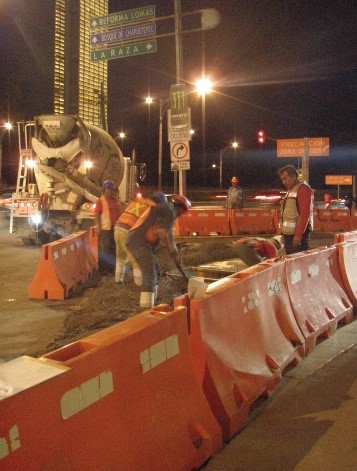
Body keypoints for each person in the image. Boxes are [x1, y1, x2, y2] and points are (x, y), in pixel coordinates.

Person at [126, 194, 191, 309]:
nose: (181, 215)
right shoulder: (169, 211)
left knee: (157, 270)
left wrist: (175, 253)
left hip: (139, 241)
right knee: (150, 274)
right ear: (181, 208)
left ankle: (152, 302)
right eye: (183, 212)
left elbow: (168, 235)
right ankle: (146, 310)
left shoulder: (167, 210)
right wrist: (170, 251)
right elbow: (162, 233)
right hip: (139, 242)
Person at [113, 192, 167, 284]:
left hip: (118, 228)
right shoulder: (151, 208)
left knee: (120, 257)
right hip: (128, 231)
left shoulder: (137, 202)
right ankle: (139, 285)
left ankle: (118, 282)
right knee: (136, 261)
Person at [278, 165, 314, 255]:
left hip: (296, 237)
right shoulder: (291, 190)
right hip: (289, 235)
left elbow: (305, 214)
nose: (283, 182)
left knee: (297, 263)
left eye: (285, 178)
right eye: (282, 179)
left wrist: (298, 236)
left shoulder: (303, 189)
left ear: (294, 176)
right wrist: (283, 234)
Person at [94, 180, 122, 274]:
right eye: (108, 189)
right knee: (104, 249)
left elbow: (119, 212)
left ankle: (111, 269)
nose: (110, 191)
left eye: (111, 189)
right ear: (104, 190)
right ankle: (103, 270)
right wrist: (98, 226)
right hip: (105, 229)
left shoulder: (116, 200)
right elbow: (97, 214)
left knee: (113, 249)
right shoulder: (101, 201)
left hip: (115, 228)